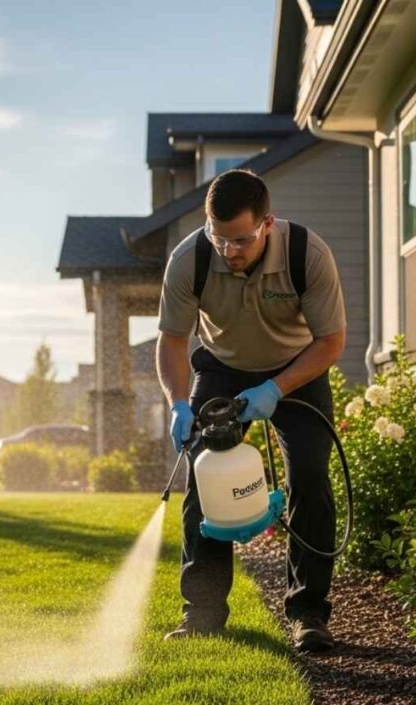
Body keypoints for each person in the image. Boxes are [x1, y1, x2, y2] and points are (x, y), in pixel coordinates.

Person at [156, 168, 346, 652]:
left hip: (296, 368)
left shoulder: (308, 254)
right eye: (220, 239)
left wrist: (274, 390)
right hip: (222, 366)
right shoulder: (190, 259)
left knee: (308, 477)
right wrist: (178, 403)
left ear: (267, 224)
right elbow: (173, 340)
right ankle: (202, 613)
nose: (230, 251)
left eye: (241, 239)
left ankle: (308, 615)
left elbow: (330, 342)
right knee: (204, 478)